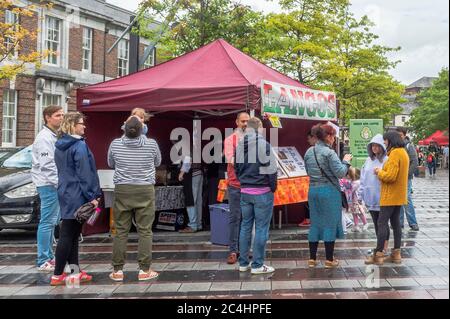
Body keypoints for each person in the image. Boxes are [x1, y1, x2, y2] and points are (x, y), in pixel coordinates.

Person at [108, 116, 162, 281]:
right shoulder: (151, 144)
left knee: (121, 231)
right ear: (142, 130)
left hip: (123, 189)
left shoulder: (115, 144)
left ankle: (117, 270)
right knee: (145, 230)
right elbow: (158, 162)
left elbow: (111, 163)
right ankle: (144, 270)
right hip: (145, 189)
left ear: (124, 128)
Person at [50, 112, 101, 286]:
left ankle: (74, 271)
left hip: (65, 192)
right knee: (67, 235)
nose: (84, 126)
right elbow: (85, 174)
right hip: (78, 194)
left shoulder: (60, 145)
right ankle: (57, 274)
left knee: (71, 234)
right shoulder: (79, 146)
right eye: (81, 123)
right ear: (72, 125)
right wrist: (93, 196)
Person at [304, 124, 353, 269]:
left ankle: (312, 259)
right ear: (328, 136)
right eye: (333, 136)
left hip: (313, 190)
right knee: (330, 224)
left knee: (315, 223)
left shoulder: (308, 152)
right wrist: (346, 161)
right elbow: (340, 172)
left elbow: (307, 171)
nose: (334, 139)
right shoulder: (329, 153)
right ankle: (329, 259)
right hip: (329, 191)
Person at [235, 117, 278, 274]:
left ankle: (243, 263)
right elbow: (271, 170)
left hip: (245, 191)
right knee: (261, 229)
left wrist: (244, 182)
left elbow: (237, 168)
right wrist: (272, 187)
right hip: (262, 192)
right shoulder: (264, 145)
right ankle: (258, 265)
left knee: (245, 226)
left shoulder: (240, 145)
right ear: (259, 128)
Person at [366, 131, 409, 265]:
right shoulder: (404, 153)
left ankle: (378, 253)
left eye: (385, 142)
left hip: (390, 195)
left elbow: (390, 176)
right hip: (399, 195)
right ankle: (396, 253)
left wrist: (379, 172)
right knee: (396, 223)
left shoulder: (395, 153)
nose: (385, 144)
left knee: (382, 223)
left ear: (391, 141)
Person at [31, 105, 64, 272]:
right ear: (47, 118)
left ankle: (49, 256)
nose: (61, 118)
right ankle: (43, 259)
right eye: (58, 115)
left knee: (51, 223)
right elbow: (47, 165)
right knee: (47, 222)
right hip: (49, 185)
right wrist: (59, 184)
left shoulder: (53, 135)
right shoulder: (44, 138)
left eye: (62, 115)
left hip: (51, 184)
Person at [223, 112, 249, 264]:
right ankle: (233, 251)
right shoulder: (229, 140)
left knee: (247, 219)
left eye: (247, 121)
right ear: (237, 122)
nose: (245, 124)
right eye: (243, 121)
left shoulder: (252, 140)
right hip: (235, 185)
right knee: (235, 218)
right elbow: (231, 160)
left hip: (249, 185)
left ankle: (244, 250)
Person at [360, 134, 390, 258]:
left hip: (383, 197)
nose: (374, 148)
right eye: (373, 145)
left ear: (382, 147)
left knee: (382, 223)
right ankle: (380, 246)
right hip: (370, 197)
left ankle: (383, 248)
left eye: (377, 145)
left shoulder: (387, 160)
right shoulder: (368, 160)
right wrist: (362, 193)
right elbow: (363, 177)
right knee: (376, 223)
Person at [396, 128, 419, 231]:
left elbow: (415, 162)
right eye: (397, 135)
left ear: (405, 135)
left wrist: (407, 174)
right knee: (398, 201)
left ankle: (413, 223)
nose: (399, 137)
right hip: (396, 178)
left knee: (406, 199)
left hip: (406, 178)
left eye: (400, 135)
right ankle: (399, 223)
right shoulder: (395, 146)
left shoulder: (409, 146)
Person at [341, 168, 369, 232]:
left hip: (356, 201)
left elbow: (351, 189)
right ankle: (356, 226)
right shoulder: (353, 181)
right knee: (354, 213)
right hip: (353, 201)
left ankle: (365, 223)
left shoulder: (357, 182)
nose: (347, 176)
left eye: (348, 174)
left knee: (359, 212)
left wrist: (346, 186)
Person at [298, 128, 316, 227]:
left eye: (309, 138)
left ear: (314, 138)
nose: (307, 141)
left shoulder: (310, 151)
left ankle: (309, 219)